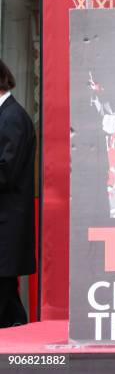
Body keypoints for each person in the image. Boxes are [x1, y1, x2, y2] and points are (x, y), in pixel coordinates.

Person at [0, 60, 36, 327]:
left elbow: (6, 171)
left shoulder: (12, 118)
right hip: (6, 222)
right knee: (8, 300)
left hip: (7, 222)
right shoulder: (9, 115)